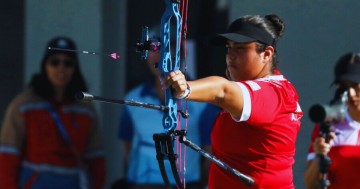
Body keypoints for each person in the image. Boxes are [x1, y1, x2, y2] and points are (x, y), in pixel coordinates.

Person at [165, 14, 303, 188]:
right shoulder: (273, 90)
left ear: (266, 54)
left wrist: (185, 89)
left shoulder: (273, 92)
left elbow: (222, 91)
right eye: (229, 47)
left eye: (240, 48)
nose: (230, 54)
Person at [0, 36, 105, 189]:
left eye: (67, 63)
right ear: (45, 66)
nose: (61, 68)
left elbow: (95, 158)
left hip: (72, 182)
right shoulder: (24, 105)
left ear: (75, 68)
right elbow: (8, 154)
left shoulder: (85, 108)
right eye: (54, 62)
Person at [118, 35, 220, 189]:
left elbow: (211, 151)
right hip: (142, 183)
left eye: (166, 48)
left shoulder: (202, 100)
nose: (158, 55)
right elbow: (127, 143)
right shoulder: (133, 97)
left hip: (185, 184)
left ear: (182, 53)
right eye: (152, 49)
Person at [304, 53, 360, 189]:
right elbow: (310, 185)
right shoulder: (328, 124)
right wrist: (319, 156)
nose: (350, 94)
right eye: (344, 87)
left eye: (355, 85)